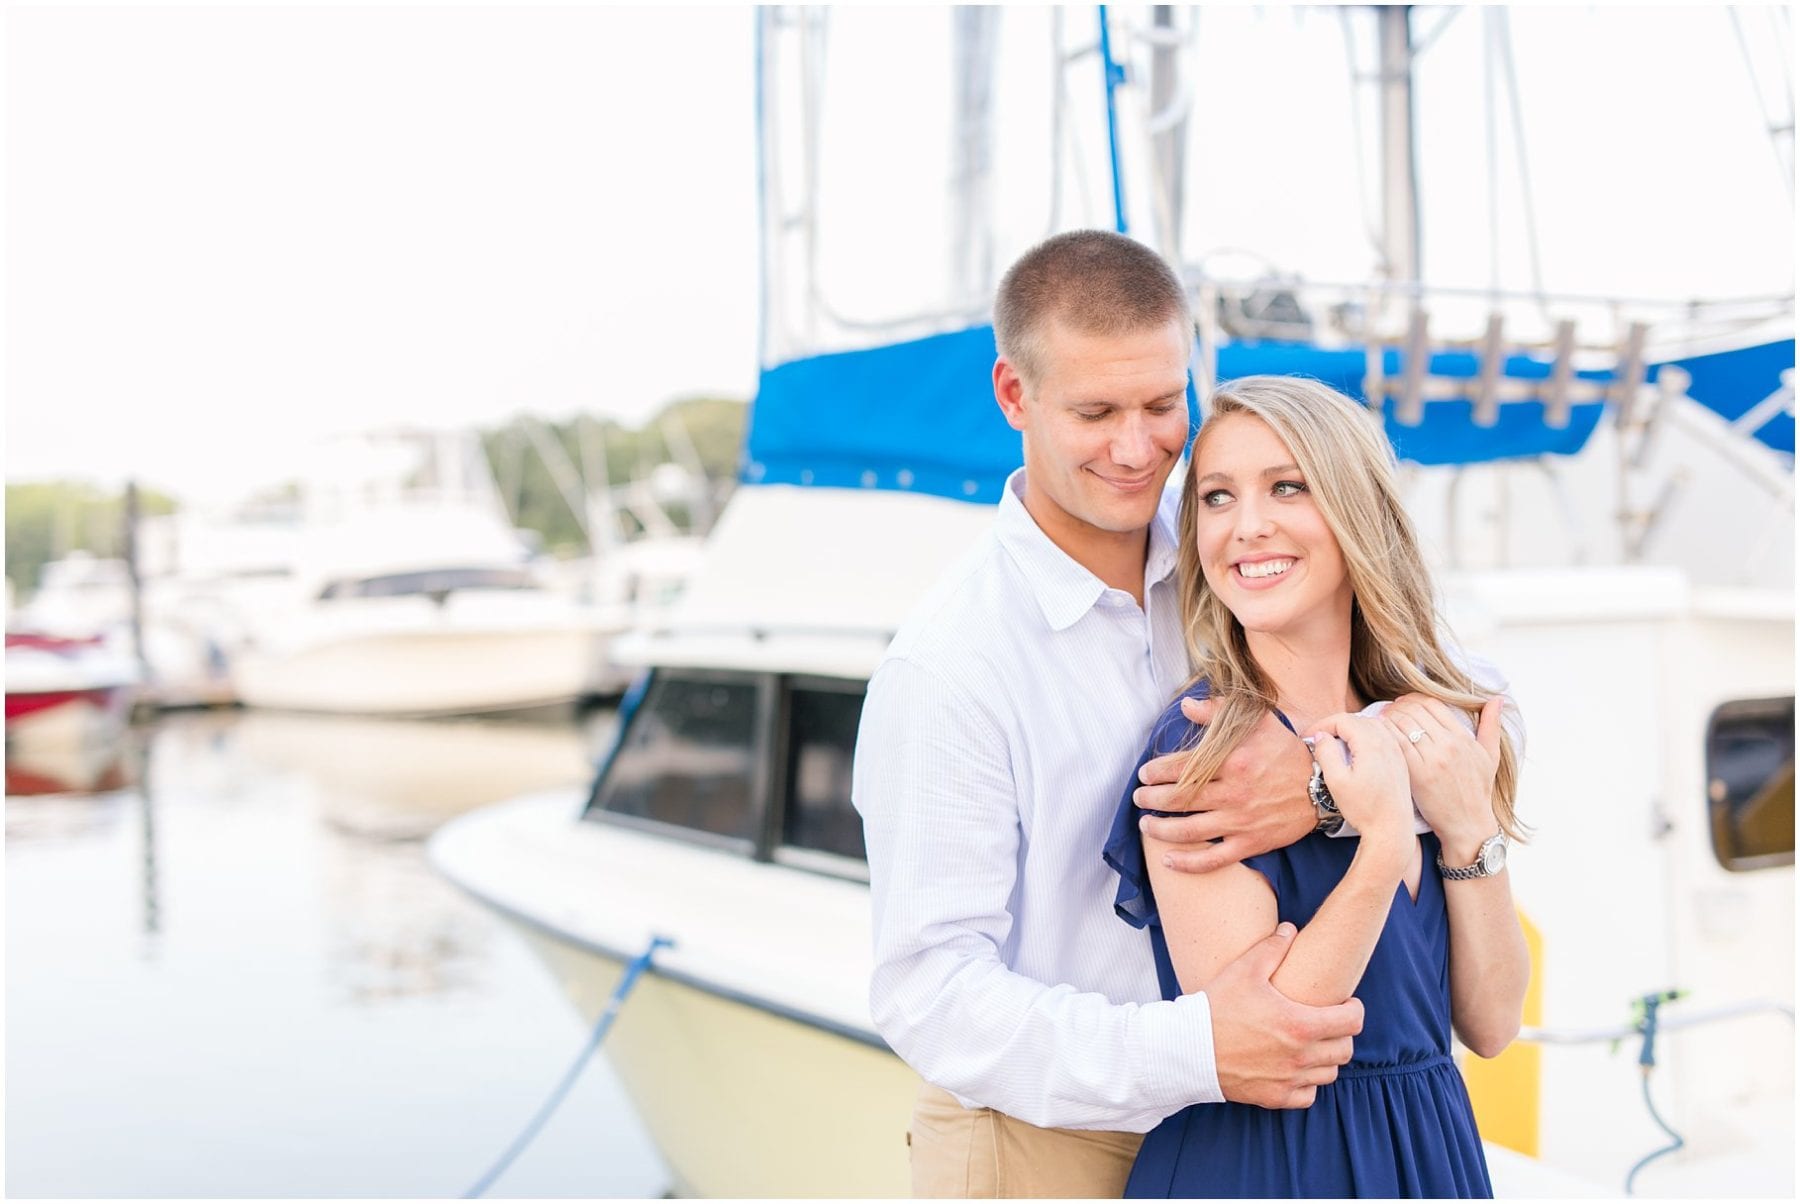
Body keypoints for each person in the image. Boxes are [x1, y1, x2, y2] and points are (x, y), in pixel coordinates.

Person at [852, 231, 1367, 1199]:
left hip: (1244, 1139)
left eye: (1163, 405)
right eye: (1095, 412)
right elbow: (929, 995)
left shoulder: (1236, 551)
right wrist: (1200, 1049)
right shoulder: (948, 667)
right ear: (1014, 395)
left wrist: (1323, 791)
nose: (1138, 450)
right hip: (1037, 1148)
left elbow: (1479, 709)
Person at [1103, 375, 1531, 1198]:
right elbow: (1275, 1042)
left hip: (1430, 1152)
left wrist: (1471, 826)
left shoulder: (1432, 727)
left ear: (1355, 511)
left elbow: (1493, 1023)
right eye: (1217, 498)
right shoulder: (1203, 748)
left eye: (1287, 487)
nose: (1247, 526)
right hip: (1272, 1166)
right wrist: (1379, 846)